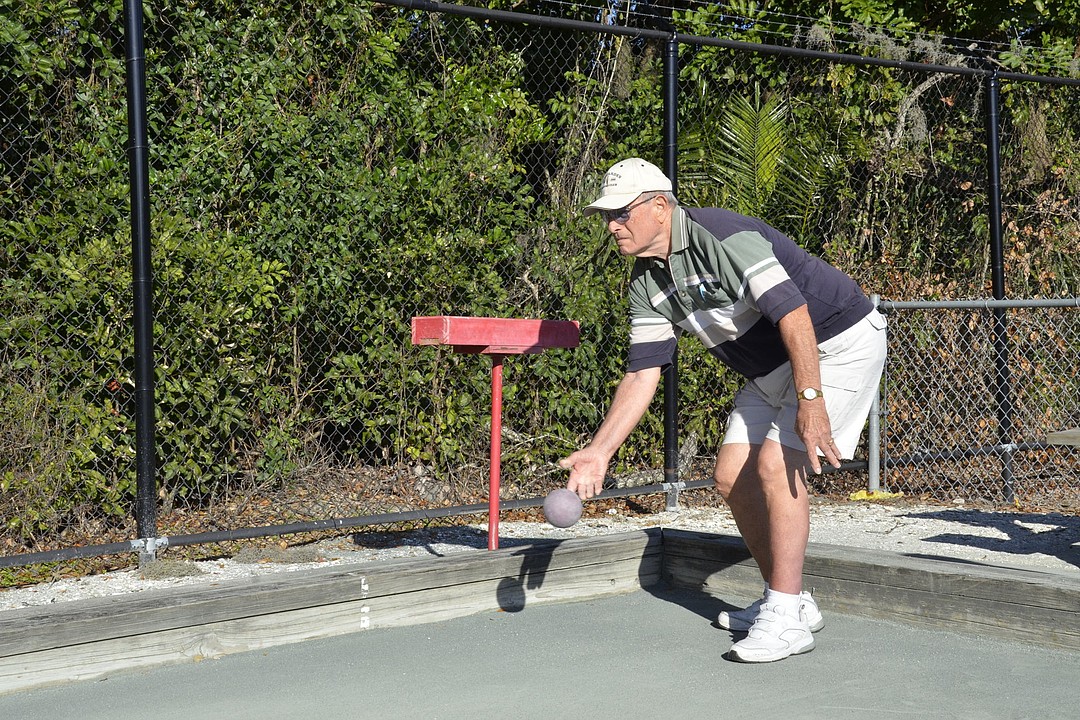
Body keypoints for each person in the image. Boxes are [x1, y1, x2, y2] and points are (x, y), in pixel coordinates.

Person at [559, 158, 886, 663]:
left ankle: (784, 616)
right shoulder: (646, 285)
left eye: (621, 213)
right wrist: (599, 453)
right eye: (606, 216)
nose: (612, 226)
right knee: (732, 477)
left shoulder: (724, 235)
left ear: (660, 207)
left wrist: (811, 400)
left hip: (835, 344)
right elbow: (643, 373)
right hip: (774, 367)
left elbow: (793, 313)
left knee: (777, 465)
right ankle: (792, 599)